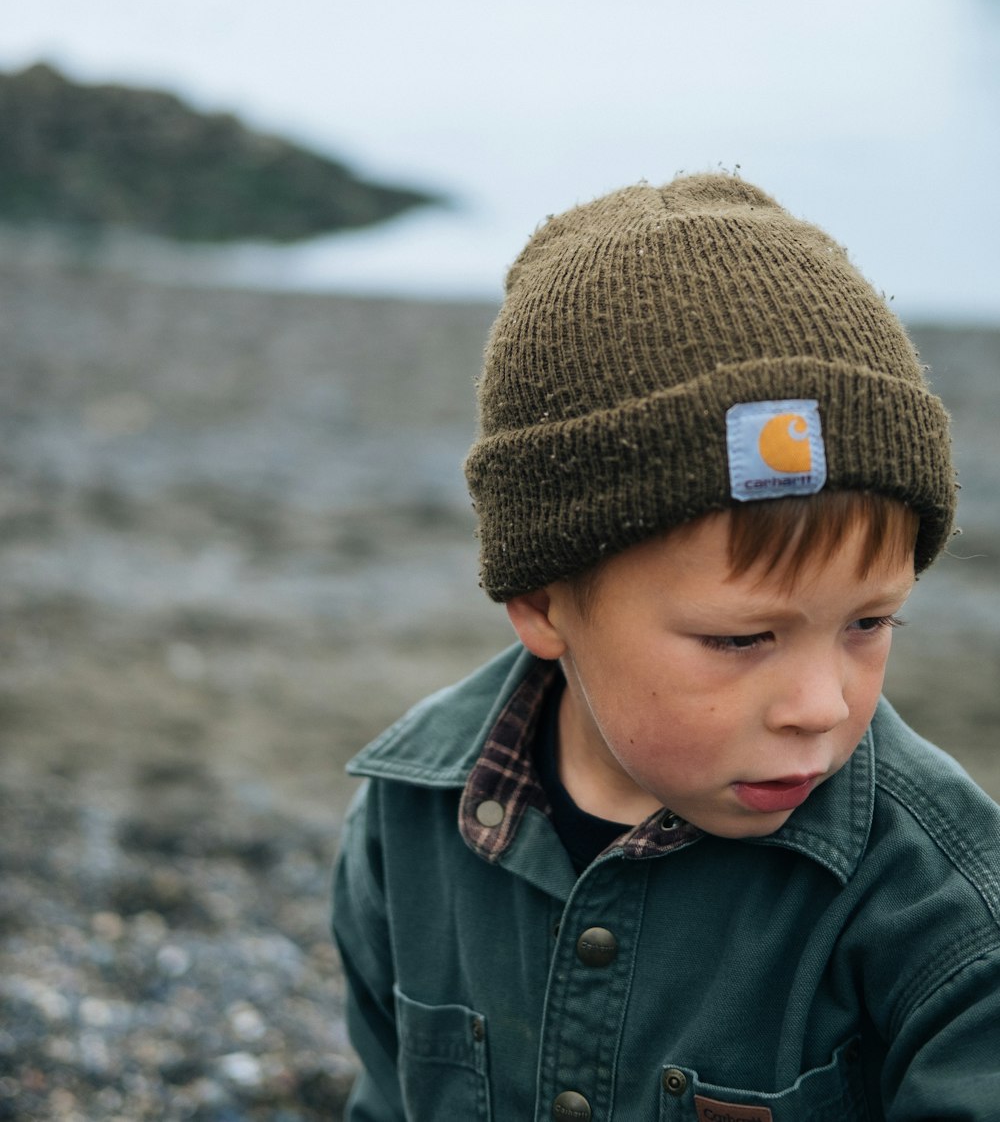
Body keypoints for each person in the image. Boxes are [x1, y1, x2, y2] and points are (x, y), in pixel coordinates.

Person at [332, 174, 1000, 1121]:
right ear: (543, 600)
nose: (820, 705)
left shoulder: (947, 914)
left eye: (868, 622)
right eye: (739, 637)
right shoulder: (407, 826)